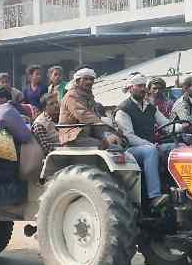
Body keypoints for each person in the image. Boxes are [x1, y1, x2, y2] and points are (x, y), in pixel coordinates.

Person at [115, 74, 179, 211]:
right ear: (130, 88)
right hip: (131, 150)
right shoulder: (123, 109)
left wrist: (183, 127)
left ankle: (180, 190)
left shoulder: (150, 107)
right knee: (150, 151)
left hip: (150, 146)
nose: (143, 89)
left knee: (177, 148)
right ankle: (154, 197)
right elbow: (129, 137)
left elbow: (167, 125)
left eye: (144, 86)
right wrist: (149, 145)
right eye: (139, 86)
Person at [59, 67, 120, 148]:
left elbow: (96, 116)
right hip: (73, 137)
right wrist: (107, 133)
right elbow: (85, 116)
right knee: (112, 148)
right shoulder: (72, 95)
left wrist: (111, 133)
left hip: (87, 134)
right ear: (77, 81)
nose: (89, 82)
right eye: (85, 79)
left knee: (117, 146)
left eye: (91, 79)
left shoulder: (88, 96)